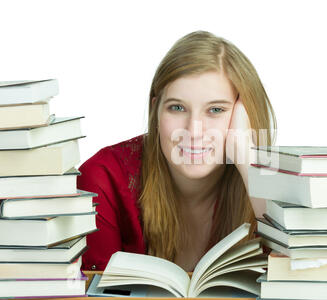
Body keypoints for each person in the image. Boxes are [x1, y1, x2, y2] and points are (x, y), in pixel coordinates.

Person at [77, 30, 277, 272]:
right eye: (177, 107)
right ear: (157, 112)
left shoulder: (271, 181)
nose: (193, 131)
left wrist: (246, 160)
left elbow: (302, 281)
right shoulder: (102, 178)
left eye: (216, 110)